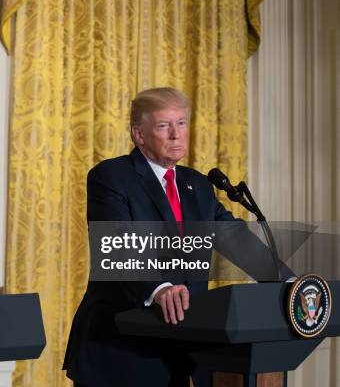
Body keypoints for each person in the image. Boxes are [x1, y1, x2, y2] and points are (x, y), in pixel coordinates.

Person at [63, 88, 287, 386]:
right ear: (139, 135)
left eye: (181, 123)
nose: (176, 135)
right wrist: (158, 288)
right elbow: (117, 246)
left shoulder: (198, 185)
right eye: (163, 125)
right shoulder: (112, 177)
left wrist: (287, 283)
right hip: (121, 352)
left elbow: (234, 237)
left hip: (185, 351)